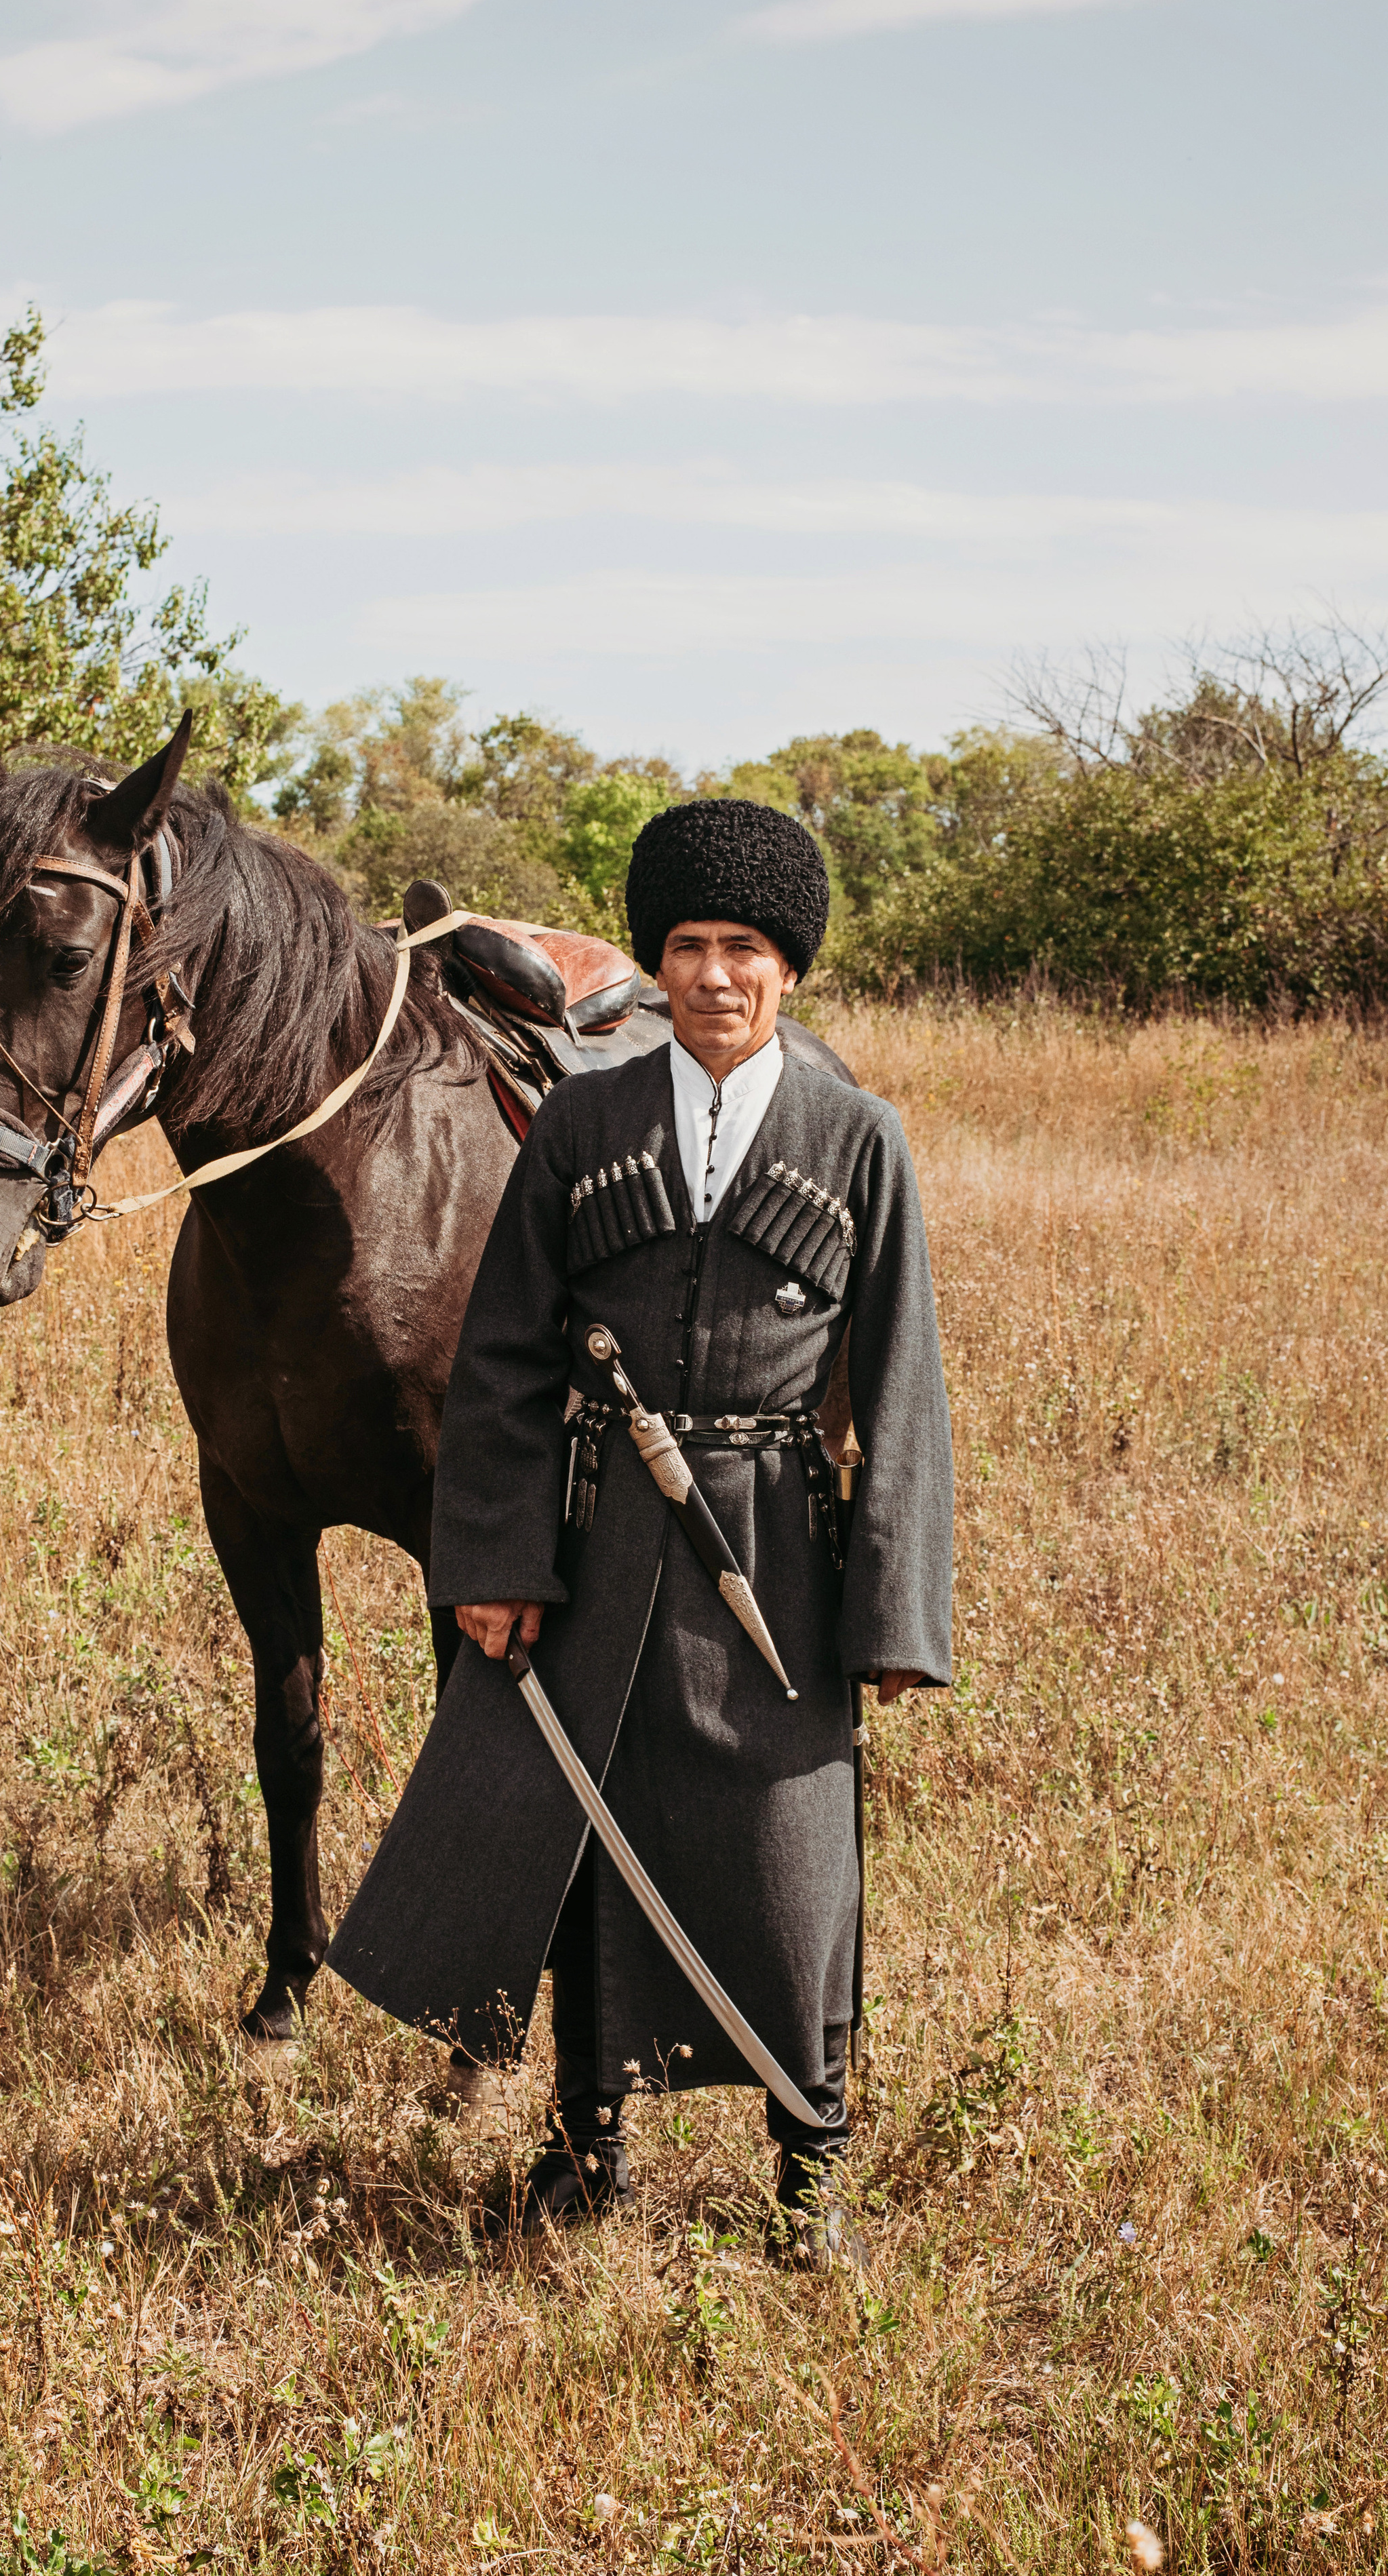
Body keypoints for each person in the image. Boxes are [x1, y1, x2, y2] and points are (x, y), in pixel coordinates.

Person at [328, 798, 953, 2261]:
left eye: (743, 948)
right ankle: (582, 2145)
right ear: (657, 965)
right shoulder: (584, 1127)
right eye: (687, 946)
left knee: (794, 1851)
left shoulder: (858, 1139)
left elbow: (902, 1381)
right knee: (588, 1843)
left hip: (776, 1551)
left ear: (786, 969)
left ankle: (811, 2162)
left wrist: (893, 1613)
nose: (714, 976)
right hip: (605, 1528)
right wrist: (493, 1559)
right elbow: (501, 1359)